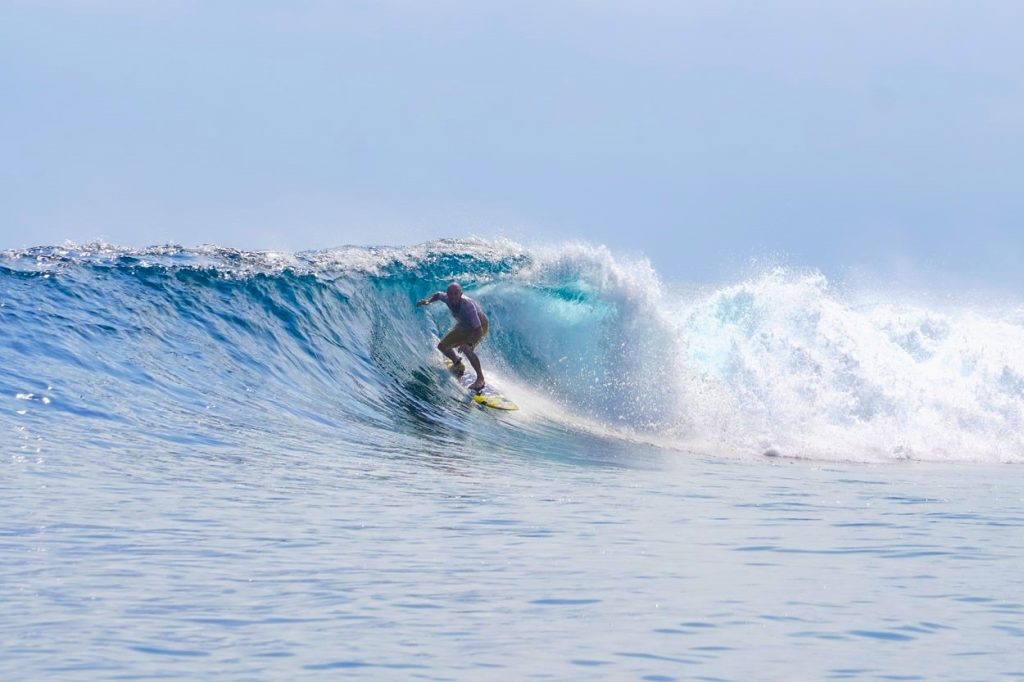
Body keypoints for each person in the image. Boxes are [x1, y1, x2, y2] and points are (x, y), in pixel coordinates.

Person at [417, 282, 489, 391]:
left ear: (461, 294)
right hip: (464, 326)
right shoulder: (447, 298)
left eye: (456, 294)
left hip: (479, 327)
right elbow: (437, 295)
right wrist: (428, 301)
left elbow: (478, 330)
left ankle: (480, 379)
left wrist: (468, 343)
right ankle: (457, 362)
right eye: (450, 294)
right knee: (442, 346)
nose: (453, 297)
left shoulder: (468, 306)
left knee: (467, 350)